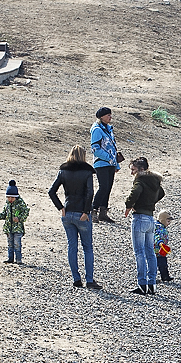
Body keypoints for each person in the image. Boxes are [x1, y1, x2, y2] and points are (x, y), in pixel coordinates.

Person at [47, 146, 102, 289]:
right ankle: (89, 280)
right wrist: (86, 212)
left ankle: (76, 279)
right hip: (81, 213)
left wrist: (61, 207)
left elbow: (51, 191)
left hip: (68, 212)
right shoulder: (87, 171)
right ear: (83, 156)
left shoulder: (63, 171)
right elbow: (90, 193)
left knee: (72, 247)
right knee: (87, 248)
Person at [124, 157, 165, 295]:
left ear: (141, 170)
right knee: (150, 252)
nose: (132, 173)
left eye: (133, 170)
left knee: (139, 252)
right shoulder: (154, 180)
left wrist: (130, 206)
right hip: (150, 219)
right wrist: (150, 202)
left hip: (140, 218)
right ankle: (152, 284)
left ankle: (142, 284)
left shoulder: (140, 180)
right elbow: (161, 193)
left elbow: (134, 193)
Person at [90, 107, 121, 223]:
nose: (110, 117)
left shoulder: (108, 129)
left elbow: (112, 146)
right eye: (108, 115)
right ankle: (93, 210)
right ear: (101, 116)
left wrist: (115, 164)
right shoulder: (97, 130)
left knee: (108, 187)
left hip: (110, 164)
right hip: (101, 163)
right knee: (103, 186)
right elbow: (95, 149)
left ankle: (103, 212)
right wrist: (109, 158)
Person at [0, 180, 29, 264]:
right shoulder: (7, 204)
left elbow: (26, 212)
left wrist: (19, 218)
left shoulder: (20, 203)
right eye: (8, 197)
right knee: (10, 244)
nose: (10, 199)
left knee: (17, 244)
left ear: (16, 197)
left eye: (12, 197)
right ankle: (10, 259)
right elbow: (4, 214)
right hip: (8, 228)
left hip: (18, 228)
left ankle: (19, 260)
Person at [154, 209, 174, 283]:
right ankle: (152, 277)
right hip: (156, 250)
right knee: (154, 264)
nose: (169, 223)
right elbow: (156, 236)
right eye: (168, 221)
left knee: (163, 263)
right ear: (162, 220)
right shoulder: (158, 228)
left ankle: (165, 276)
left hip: (161, 250)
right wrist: (160, 243)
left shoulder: (162, 227)